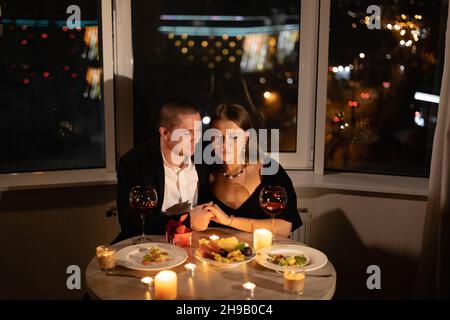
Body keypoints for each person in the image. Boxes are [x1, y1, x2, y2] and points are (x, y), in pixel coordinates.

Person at [191, 103, 302, 237]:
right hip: (217, 254)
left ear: (247, 136)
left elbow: (284, 227)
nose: (225, 144)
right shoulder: (202, 171)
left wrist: (229, 221)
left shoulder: (270, 171)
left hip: (263, 253)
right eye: (218, 137)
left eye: (234, 137)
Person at [114, 99, 213, 243]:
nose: (196, 139)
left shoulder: (205, 158)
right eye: (188, 133)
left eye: (198, 131)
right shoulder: (135, 163)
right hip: (151, 247)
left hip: (196, 245)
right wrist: (186, 221)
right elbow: (131, 222)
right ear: (165, 133)